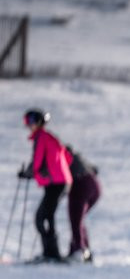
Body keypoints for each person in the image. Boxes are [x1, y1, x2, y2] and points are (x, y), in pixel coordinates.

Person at [19, 108, 71, 263]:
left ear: (40, 122)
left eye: (31, 121)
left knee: (41, 217)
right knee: (47, 216)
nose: (29, 125)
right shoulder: (49, 137)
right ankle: (51, 253)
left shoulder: (42, 137)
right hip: (60, 182)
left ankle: (52, 254)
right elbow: (66, 157)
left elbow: (37, 161)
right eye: (27, 122)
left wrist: (29, 173)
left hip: (56, 183)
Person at [65, 145, 101, 263]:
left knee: (76, 219)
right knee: (78, 219)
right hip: (94, 185)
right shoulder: (75, 156)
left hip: (81, 185)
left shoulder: (62, 154)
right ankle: (83, 249)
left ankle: (79, 251)